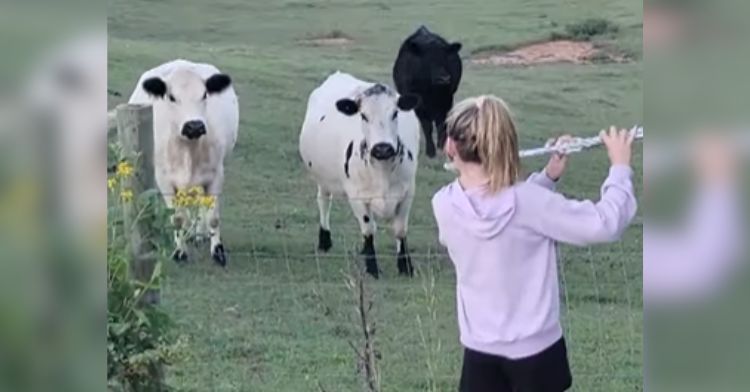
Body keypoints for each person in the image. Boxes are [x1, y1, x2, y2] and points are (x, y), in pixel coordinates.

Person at [431, 95, 637, 392]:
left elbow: (504, 208)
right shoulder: (531, 203)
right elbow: (604, 223)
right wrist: (619, 168)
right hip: (538, 356)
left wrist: (549, 174)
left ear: (450, 146)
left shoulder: (443, 205)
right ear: (507, 146)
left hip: (479, 355)